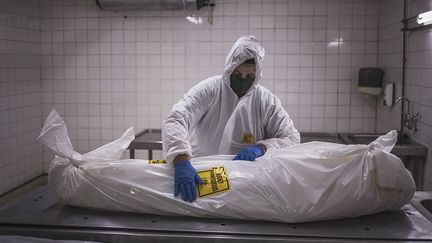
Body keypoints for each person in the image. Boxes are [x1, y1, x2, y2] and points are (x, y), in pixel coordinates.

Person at [162, 35, 300, 202]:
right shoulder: (210, 90)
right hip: (199, 178)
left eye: (249, 77)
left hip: (245, 186)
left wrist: (262, 147)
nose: (242, 81)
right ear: (229, 68)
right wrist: (181, 159)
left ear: (257, 75)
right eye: (237, 74)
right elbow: (176, 118)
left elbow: (291, 138)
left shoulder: (265, 101)